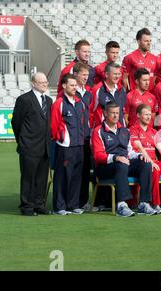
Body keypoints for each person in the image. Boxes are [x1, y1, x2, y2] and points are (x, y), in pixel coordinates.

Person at [91, 102, 156, 216]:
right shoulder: (98, 131)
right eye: (113, 113)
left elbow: (129, 151)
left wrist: (139, 155)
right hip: (104, 168)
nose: (116, 116)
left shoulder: (124, 130)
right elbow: (98, 156)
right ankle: (122, 205)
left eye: (118, 113)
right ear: (105, 113)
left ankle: (144, 203)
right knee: (121, 164)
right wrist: (116, 157)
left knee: (145, 163)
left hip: (123, 163)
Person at [11, 72, 53, 216]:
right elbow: (16, 122)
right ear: (33, 83)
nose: (45, 84)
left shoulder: (48, 100)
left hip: (45, 147)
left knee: (42, 178)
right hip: (29, 147)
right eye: (41, 82)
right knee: (29, 177)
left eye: (46, 82)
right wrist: (23, 140)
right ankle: (26, 206)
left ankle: (39, 204)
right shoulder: (24, 100)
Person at [50, 74, 85, 215]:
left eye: (75, 85)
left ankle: (73, 205)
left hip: (79, 145)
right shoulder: (59, 103)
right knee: (62, 177)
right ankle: (60, 207)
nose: (74, 87)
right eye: (71, 85)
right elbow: (53, 125)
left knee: (76, 176)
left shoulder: (79, 103)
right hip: (65, 147)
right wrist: (61, 138)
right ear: (64, 86)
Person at [72, 63, 93, 210]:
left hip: (86, 137)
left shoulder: (89, 93)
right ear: (75, 75)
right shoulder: (70, 93)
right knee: (74, 170)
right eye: (83, 75)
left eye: (87, 75)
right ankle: (71, 201)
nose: (86, 77)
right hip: (73, 139)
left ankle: (83, 201)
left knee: (85, 170)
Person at [90, 62, 127, 128]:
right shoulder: (97, 90)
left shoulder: (122, 90)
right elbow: (90, 112)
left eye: (119, 74)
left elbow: (122, 112)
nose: (117, 76)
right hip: (103, 132)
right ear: (106, 74)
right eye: (115, 74)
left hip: (119, 131)